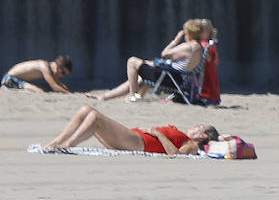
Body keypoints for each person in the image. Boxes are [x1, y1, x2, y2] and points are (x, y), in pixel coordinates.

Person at [90, 20, 206, 102]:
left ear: (189, 33)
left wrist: (176, 40)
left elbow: (165, 54)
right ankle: (105, 97)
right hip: (178, 78)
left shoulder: (188, 46)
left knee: (132, 61)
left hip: (170, 79)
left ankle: (132, 95)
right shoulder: (199, 48)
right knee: (140, 76)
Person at [43, 104, 218, 154]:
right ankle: (57, 142)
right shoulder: (183, 135)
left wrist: (157, 133)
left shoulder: (192, 144)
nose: (195, 126)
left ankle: (68, 144)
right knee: (85, 110)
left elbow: (176, 156)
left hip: (138, 142)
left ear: (202, 136)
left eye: (199, 127)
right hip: (133, 138)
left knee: (95, 117)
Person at [3, 54, 74, 93]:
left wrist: (69, 91)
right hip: (10, 79)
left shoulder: (51, 69)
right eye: (63, 73)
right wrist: (69, 94)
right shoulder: (45, 67)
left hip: (15, 79)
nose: (62, 76)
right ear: (59, 66)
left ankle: (9, 88)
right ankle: (7, 89)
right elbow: (55, 87)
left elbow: (60, 84)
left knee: (42, 91)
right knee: (39, 92)